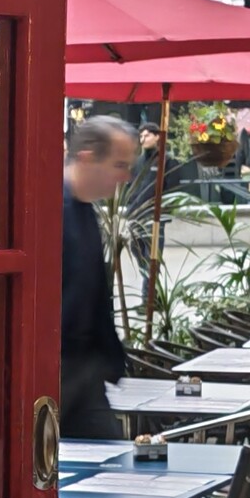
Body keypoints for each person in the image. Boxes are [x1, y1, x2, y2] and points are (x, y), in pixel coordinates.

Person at [62, 113, 139, 443]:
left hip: (86, 374)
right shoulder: (51, 210)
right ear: (87, 157)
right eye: (119, 165)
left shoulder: (86, 209)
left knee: (114, 460)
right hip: (53, 373)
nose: (126, 176)